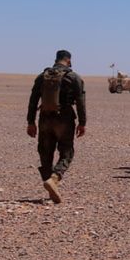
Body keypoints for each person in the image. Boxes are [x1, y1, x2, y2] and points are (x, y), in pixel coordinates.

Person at [25, 49, 87, 203]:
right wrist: (82, 122)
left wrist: (31, 122)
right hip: (64, 118)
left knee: (45, 152)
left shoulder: (42, 76)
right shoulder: (73, 77)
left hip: (45, 118)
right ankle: (54, 179)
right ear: (69, 61)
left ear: (56, 59)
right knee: (67, 152)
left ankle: (50, 183)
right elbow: (80, 101)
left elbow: (33, 101)